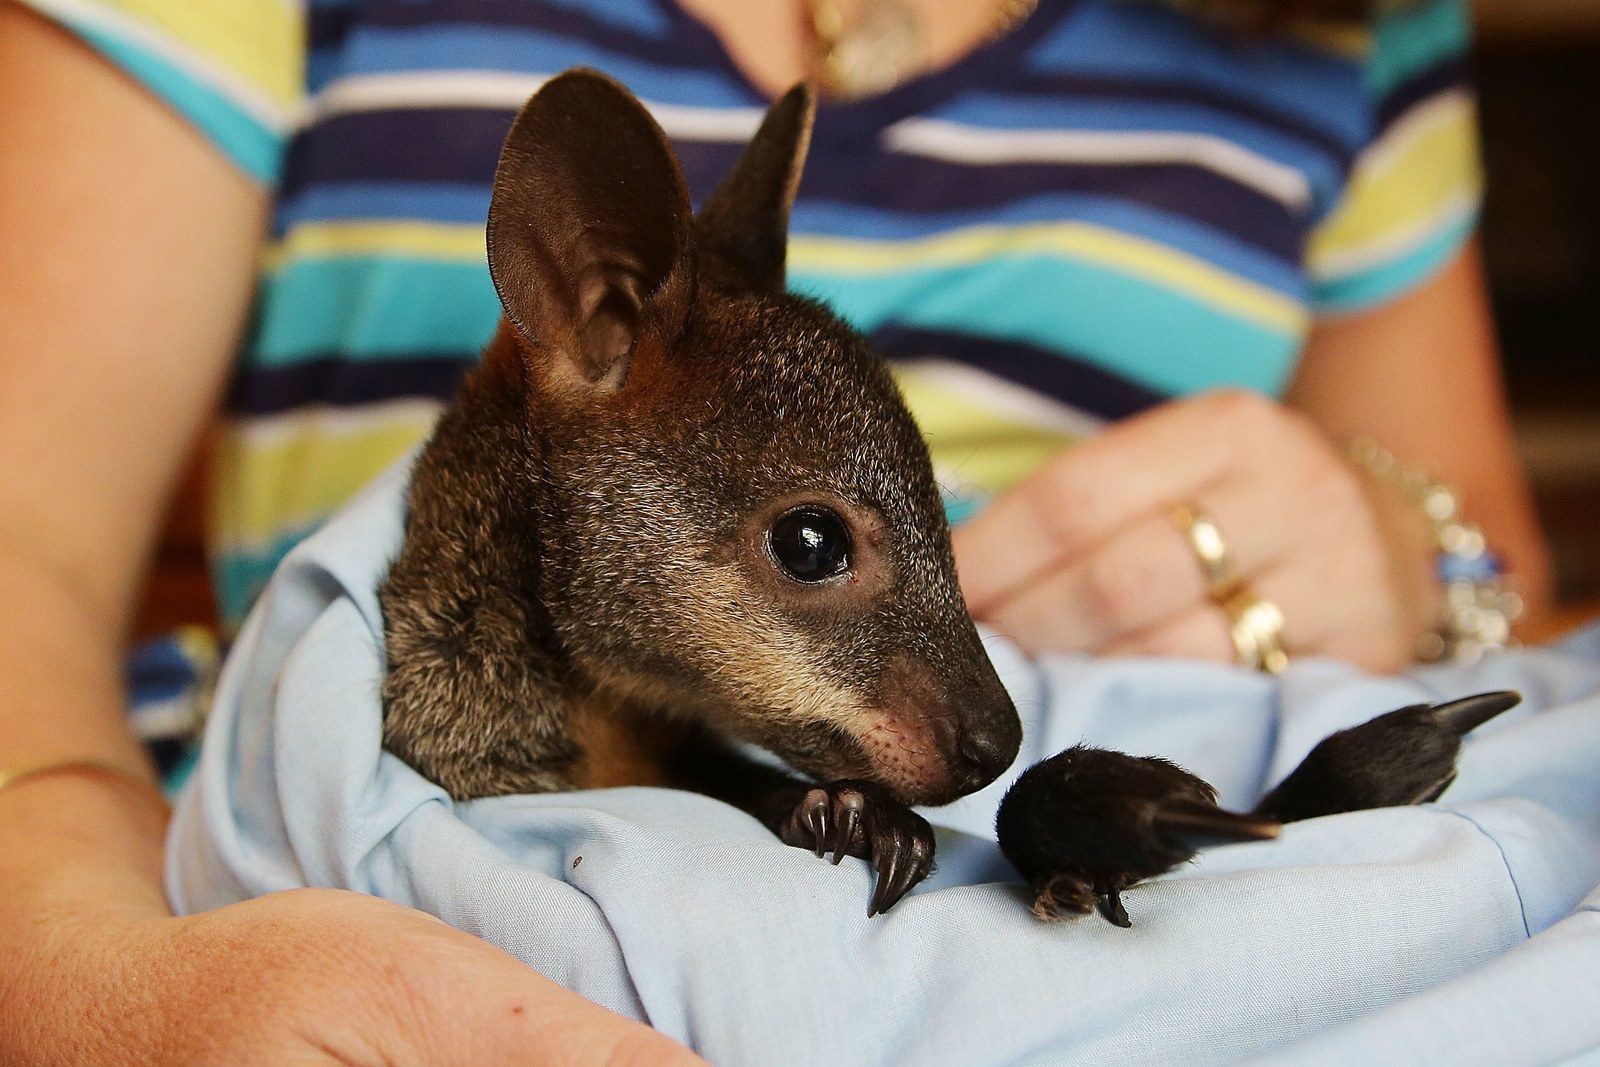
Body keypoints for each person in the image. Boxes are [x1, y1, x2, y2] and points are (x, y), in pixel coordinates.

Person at [0, 0, 1554, 1061]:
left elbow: (1510, 596)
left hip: (1076, 852)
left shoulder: (1345, 23)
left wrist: (1418, 551)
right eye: (816, 553)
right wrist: (98, 995)